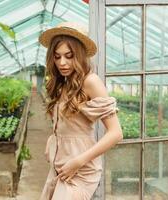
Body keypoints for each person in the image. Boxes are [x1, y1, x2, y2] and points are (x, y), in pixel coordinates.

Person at [38, 21, 123, 200]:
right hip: (60, 164)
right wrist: (52, 138)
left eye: (69, 56)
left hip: (81, 168)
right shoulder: (64, 82)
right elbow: (70, 124)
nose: (62, 63)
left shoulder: (90, 82)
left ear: (80, 55)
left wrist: (78, 162)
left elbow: (116, 133)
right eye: (57, 56)